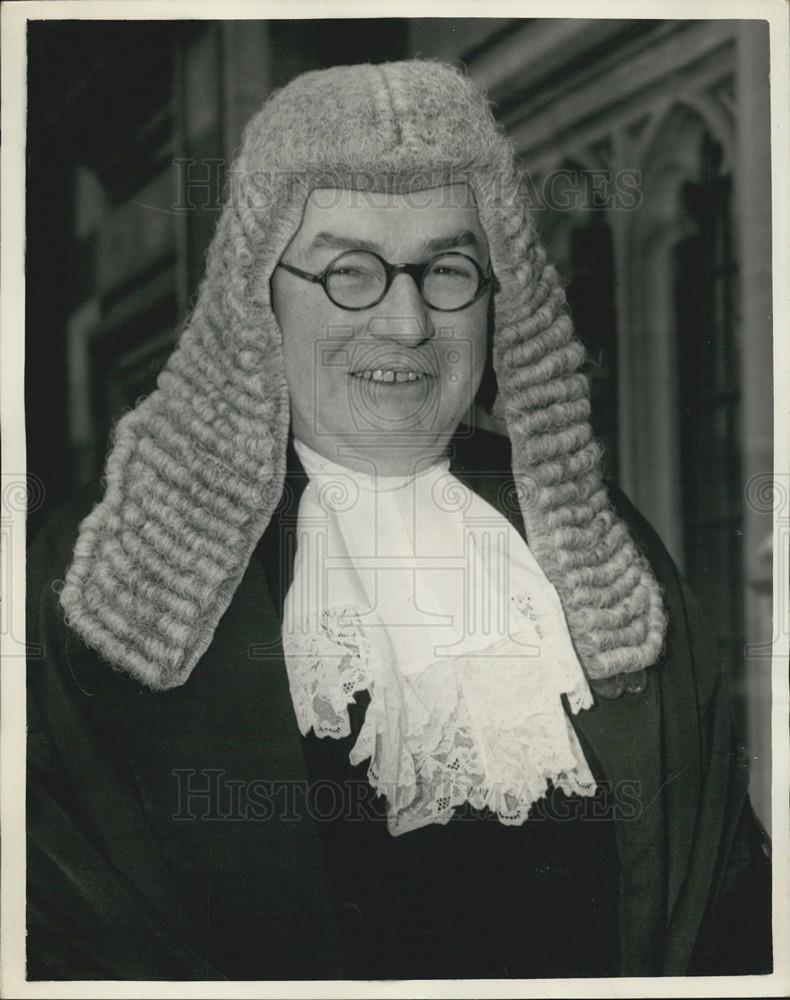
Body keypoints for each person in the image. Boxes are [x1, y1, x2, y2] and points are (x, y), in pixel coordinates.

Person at [26, 59, 771, 981]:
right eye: (351, 272)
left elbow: (723, 902)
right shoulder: (109, 578)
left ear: (501, 295)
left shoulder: (600, 539)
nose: (407, 322)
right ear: (258, 294)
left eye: (448, 270)